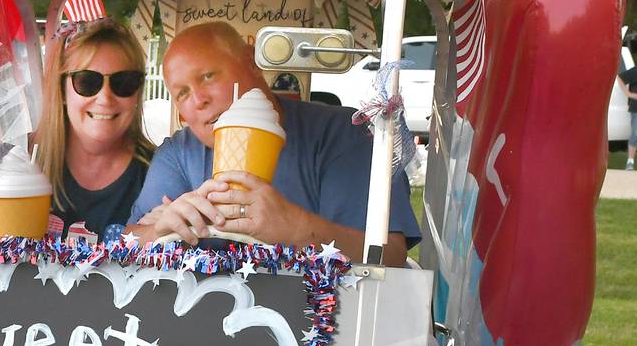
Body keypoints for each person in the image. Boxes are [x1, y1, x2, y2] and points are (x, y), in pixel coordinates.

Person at [124, 21, 420, 264]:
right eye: (183, 93)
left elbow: (390, 256)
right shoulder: (178, 153)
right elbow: (127, 242)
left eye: (208, 76)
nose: (199, 99)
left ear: (251, 62)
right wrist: (159, 232)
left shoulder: (343, 133)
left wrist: (294, 228)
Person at [0, 18, 154, 241]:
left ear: (138, 92)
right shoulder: (10, 160)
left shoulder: (160, 170)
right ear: (61, 90)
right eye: (87, 82)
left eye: (124, 83)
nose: (105, 98)